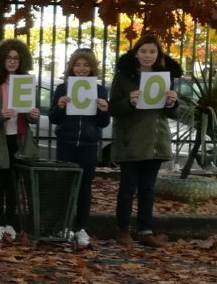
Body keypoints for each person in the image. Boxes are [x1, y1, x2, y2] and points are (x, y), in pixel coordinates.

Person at [109, 34, 181, 247]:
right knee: (128, 186)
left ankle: (146, 231)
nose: (147, 55)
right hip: (130, 139)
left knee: (148, 188)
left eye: (152, 51)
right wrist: (129, 102)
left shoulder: (166, 77)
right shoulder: (123, 77)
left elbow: (173, 114)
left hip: (156, 140)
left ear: (159, 55)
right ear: (136, 53)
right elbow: (114, 108)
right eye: (143, 51)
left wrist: (172, 103)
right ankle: (123, 230)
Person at [49, 49, 111, 249]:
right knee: (64, 187)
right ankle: (62, 226)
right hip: (66, 143)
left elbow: (103, 123)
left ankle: (81, 228)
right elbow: (53, 118)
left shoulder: (100, 90)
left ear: (92, 67)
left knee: (85, 187)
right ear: (71, 67)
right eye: (77, 65)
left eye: (85, 65)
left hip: (88, 145)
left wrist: (104, 110)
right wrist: (59, 106)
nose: (82, 69)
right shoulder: (62, 88)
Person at [0, 39, 41, 243]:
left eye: (16, 58)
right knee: (0, 182)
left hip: (19, 139)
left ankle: (10, 222)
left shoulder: (26, 82)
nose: (12, 61)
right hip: (0, 138)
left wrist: (34, 115)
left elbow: (30, 114)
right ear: (1, 59)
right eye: (8, 57)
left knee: (14, 184)